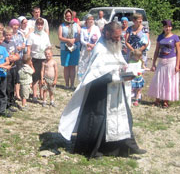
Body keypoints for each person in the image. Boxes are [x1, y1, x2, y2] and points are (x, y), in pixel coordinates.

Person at [59, 22, 146, 159]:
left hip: (116, 90)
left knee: (125, 117)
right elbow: (96, 74)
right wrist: (118, 77)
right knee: (99, 120)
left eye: (120, 36)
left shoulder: (114, 46)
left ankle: (128, 146)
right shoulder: (99, 49)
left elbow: (119, 62)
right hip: (101, 92)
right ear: (107, 34)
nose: (119, 39)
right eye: (116, 37)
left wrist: (126, 70)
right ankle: (95, 150)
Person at [148, 20, 180, 108]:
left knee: (169, 81)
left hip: (171, 61)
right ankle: (157, 99)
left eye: (169, 27)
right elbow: (156, 51)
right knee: (158, 80)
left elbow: (178, 52)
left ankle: (166, 100)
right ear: (163, 27)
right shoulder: (160, 37)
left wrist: (177, 65)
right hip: (161, 61)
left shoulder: (175, 38)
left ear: (171, 27)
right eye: (166, 27)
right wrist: (153, 63)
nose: (167, 28)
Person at [27, 18, 51, 102]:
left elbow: (48, 46)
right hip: (35, 59)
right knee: (35, 78)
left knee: (42, 78)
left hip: (44, 59)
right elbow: (29, 48)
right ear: (36, 25)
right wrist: (28, 60)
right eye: (38, 24)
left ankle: (41, 94)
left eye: (41, 24)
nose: (40, 26)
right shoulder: (31, 35)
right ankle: (34, 95)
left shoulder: (45, 35)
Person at [58, 8, 81, 89]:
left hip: (75, 47)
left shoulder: (76, 25)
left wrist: (73, 40)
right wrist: (68, 40)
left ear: (72, 16)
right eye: (67, 16)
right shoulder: (62, 26)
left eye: (69, 16)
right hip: (65, 48)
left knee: (73, 66)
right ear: (65, 16)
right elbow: (60, 37)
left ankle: (72, 84)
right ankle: (67, 84)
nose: (68, 17)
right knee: (66, 66)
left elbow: (79, 35)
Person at [1, 26, 20, 110]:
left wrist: (15, 58)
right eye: (7, 35)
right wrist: (8, 58)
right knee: (7, 86)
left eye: (10, 35)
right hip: (6, 68)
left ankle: (12, 101)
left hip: (14, 67)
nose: (8, 37)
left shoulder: (13, 43)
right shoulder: (2, 44)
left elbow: (17, 54)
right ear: (4, 35)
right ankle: (6, 104)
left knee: (13, 84)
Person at [78, 14, 101, 81]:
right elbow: (81, 40)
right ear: (86, 20)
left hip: (93, 49)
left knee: (93, 64)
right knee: (83, 64)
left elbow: (99, 38)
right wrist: (88, 44)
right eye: (89, 19)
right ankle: (82, 80)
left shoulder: (96, 28)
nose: (91, 21)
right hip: (85, 50)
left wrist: (93, 45)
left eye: (92, 19)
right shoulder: (83, 29)